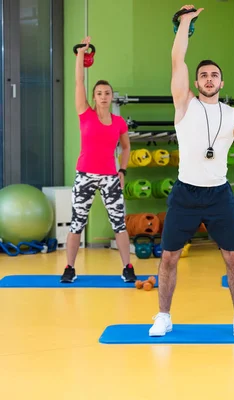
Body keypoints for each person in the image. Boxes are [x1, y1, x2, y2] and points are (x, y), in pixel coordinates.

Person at [148, 5, 234, 338]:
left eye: (214, 75)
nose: (209, 79)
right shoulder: (184, 103)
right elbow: (177, 60)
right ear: (196, 81)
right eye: (203, 75)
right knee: (168, 258)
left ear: (222, 82)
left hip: (219, 195)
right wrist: (185, 23)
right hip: (185, 193)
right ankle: (163, 316)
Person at [61, 36, 136, 284]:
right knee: (77, 223)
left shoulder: (118, 122)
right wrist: (81, 55)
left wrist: (123, 170)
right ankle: (69, 268)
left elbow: (126, 147)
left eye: (107, 93)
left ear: (112, 97)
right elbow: (78, 80)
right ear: (94, 96)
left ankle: (127, 267)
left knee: (119, 224)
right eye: (99, 93)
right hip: (84, 175)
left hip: (110, 177)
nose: (104, 96)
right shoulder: (85, 113)